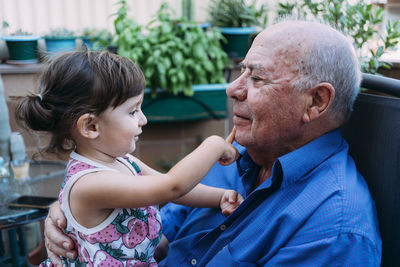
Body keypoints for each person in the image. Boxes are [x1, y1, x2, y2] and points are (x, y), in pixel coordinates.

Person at [44, 19, 382, 266]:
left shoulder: (332, 231)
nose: (232, 89)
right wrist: (75, 223)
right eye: (241, 71)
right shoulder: (237, 157)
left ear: (316, 102)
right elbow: (159, 215)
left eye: (258, 77)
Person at [15, 50, 244, 266]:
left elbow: (177, 189)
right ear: (91, 126)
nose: (143, 119)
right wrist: (214, 145)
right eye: (133, 111)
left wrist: (220, 196)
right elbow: (172, 186)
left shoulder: (124, 160)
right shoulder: (89, 184)